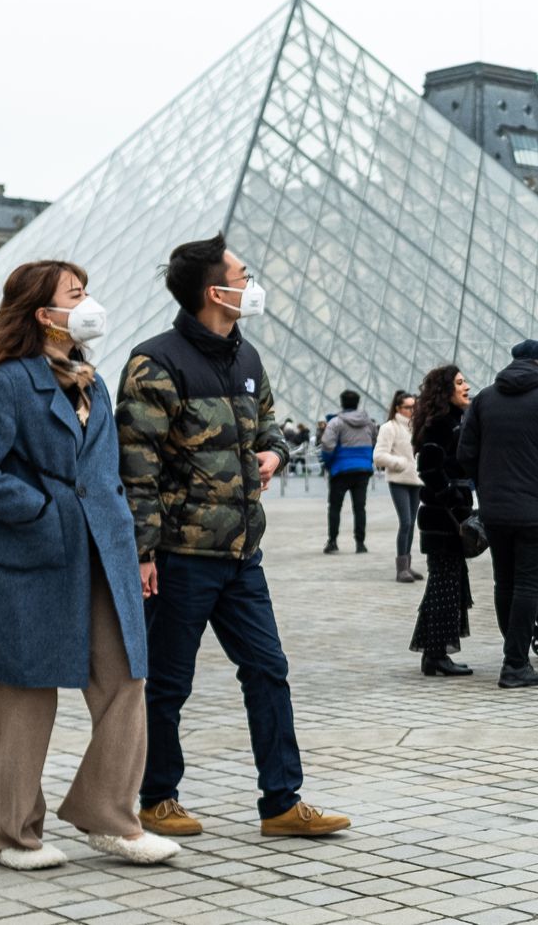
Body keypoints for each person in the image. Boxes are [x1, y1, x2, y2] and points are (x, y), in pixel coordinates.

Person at [0, 259, 178, 869]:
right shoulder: (5, 381)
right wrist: (39, 509)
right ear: (42, 313)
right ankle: (11, 834)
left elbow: (104, 469)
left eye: (87, 291)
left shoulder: (92, 380)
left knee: (126, 677)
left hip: (104, 549)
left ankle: (107, 814)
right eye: (76, 295)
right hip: (36, 551)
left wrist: (134, 541)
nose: (89, 302)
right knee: (25, 689)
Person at [117, 234, 350, 839]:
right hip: (180, 553)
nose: (252, 284)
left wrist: (273, 452)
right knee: (169, 683)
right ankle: (156, 796)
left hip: (243, 552)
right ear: (212, 291)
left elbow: (269, 422)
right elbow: (134, 464)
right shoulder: (155, 363)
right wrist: (143, 551)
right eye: (244, 275)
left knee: (269, 670)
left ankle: (281, 802)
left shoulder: (246, 358)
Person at [459, 339, 538, 689]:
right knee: (529, 585)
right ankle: (515, 664)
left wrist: (486, 484)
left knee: (505, 582)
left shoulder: (484, 398)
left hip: (495, 510)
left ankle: (513, 652)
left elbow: (465, 453)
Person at [408, 365, 475, 676]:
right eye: (460, 383)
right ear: (446, 389)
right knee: (445, 585)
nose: (467, 387)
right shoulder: (441, 424)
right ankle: (436, 655)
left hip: (443, 515)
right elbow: (430, 469)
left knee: (445, 584)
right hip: (442, 517)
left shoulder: (451, 420)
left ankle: (434, 653)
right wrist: (454, 499)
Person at [320, 390, 378, 555]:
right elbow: (374, 442)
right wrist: (367, 459)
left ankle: (332, 541)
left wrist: (329, 463)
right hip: (363, 470)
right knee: (360, 508)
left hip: (340, 470)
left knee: (335, 507)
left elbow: (327, 445)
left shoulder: (336, 422)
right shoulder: (369, 423)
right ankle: (360, 543)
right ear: (357, 403)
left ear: (342, 402)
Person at [373, 391, 422, 583]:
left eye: (414, 406)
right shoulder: (389, 428)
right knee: (406, 522)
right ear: (398, 408)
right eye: (408, 407)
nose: (412, 410)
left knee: (411, 525)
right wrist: (400, 463)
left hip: (417, 481)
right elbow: (378, 456)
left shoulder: (417, 427)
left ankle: (407, 565)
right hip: (399, 480)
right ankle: (401, 568)